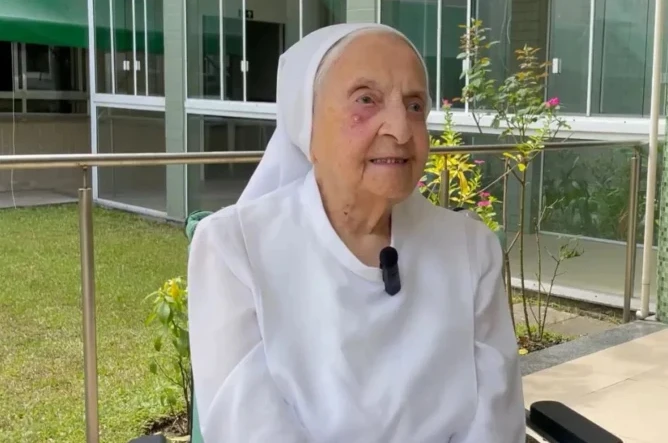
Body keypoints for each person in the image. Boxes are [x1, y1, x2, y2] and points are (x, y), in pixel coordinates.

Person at [187, 23, 525, 443]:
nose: (400, 130)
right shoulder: (234, 249)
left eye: (415, 105)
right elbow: (251, 429)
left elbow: (497, 424)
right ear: (306, 126)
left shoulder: (472, 249)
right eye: (366, 100)